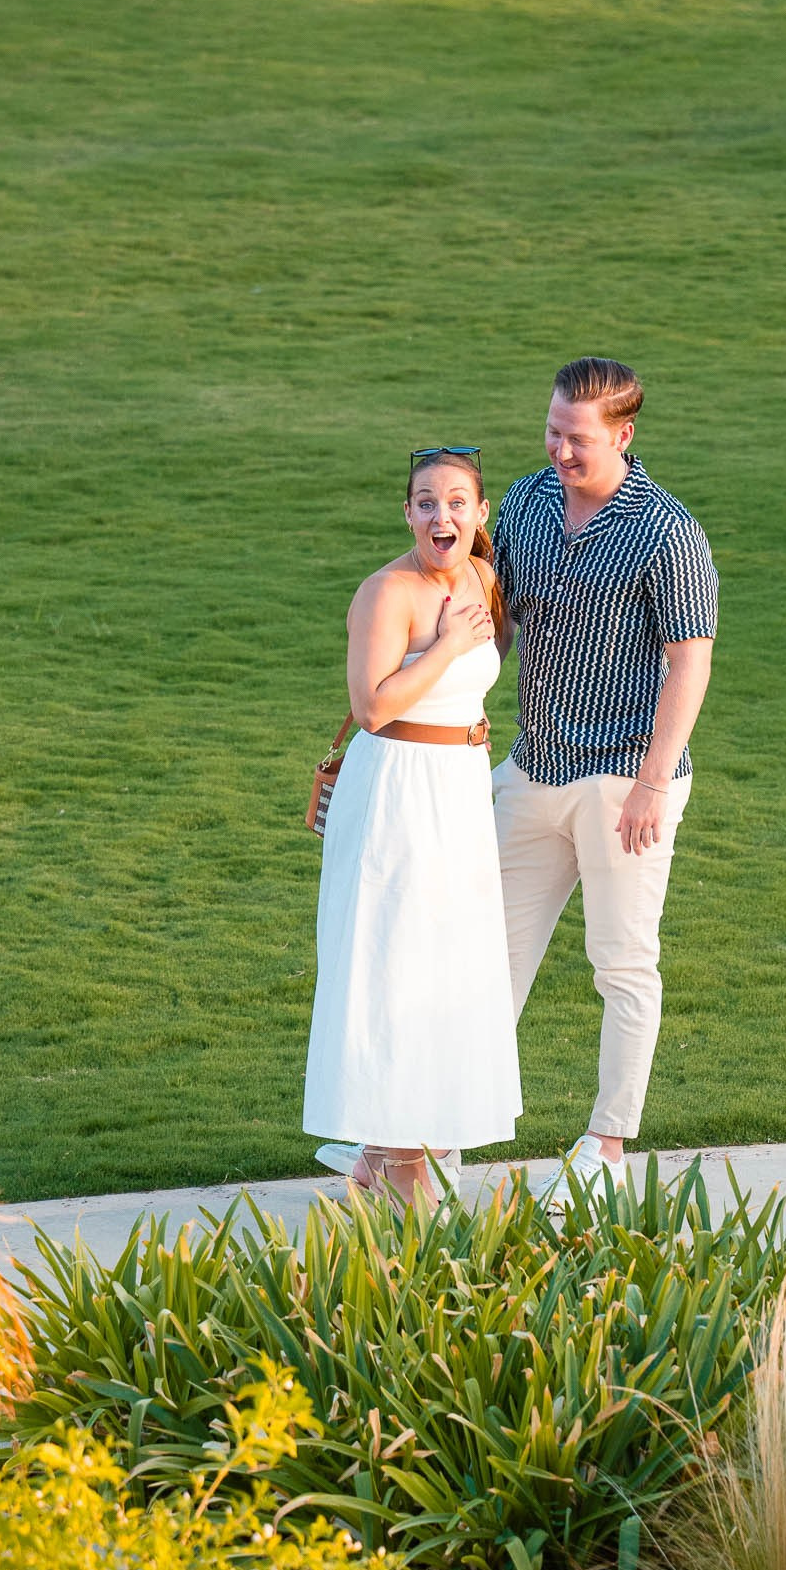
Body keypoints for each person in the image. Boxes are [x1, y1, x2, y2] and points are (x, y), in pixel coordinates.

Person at [492, 358, 716, 1198]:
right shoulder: (526, 501)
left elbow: (689, 662)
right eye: (552, 431)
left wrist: (654, 784)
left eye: (576, 439)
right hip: (534, 767)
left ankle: (606, 1148)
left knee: (622, 963)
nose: (559, 451)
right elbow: (502, 619)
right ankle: (436, 1136)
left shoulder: (666, 530)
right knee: (486, 962)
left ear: (623, 435)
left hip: (625, 779)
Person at [303, 448, 521, 1202]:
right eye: (426, 502)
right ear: (407, 513)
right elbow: (372, 707)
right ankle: (400, 1163)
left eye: (458, 501)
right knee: (393, 965)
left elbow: (475, 677)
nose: (442, 516)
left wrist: (470, 706)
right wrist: (452, 647)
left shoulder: (484, 578)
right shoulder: (386, 592)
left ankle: (382, 1156)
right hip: (396, 795)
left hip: (458, 793)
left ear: (480, 513)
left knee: (444, 968)